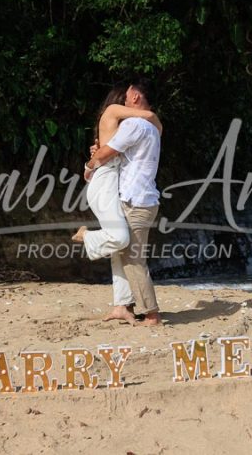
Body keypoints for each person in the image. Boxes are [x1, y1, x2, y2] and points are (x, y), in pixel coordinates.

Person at [80, 79, 163, 327]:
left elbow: (107, 153)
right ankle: (123, 305)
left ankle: (151, 314)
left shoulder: (135, 124)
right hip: (139, 197)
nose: (126, 99)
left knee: (132, 257)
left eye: (128, 95)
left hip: (135, 199)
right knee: (122, 251)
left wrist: (90, 164)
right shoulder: (149, 127)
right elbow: (118, 149)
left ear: (136, 96)